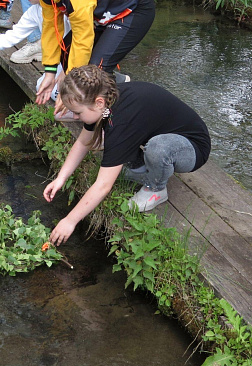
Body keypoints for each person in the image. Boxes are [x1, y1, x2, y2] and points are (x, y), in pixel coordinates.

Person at [44, 65, 211, 245]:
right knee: (117, 148)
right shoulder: (106, 104)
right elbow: (84, 142)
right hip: (153, 133)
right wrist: (61, 178)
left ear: (98, 102)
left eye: (78, 112)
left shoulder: (120, 120)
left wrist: (70, 221)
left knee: (158, 148)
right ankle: (146, 167)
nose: (75, 118)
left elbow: (103, 186)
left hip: (191, 148)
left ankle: (156, 189)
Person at [13, 0, 155, 109]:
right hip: (104, 14)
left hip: (133, 10)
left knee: (97, 70)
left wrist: (70, 85)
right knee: (66, 50)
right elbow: (52, 30)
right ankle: (118, 82)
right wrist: (50, 73)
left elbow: (82, 40)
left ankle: (107, 114)